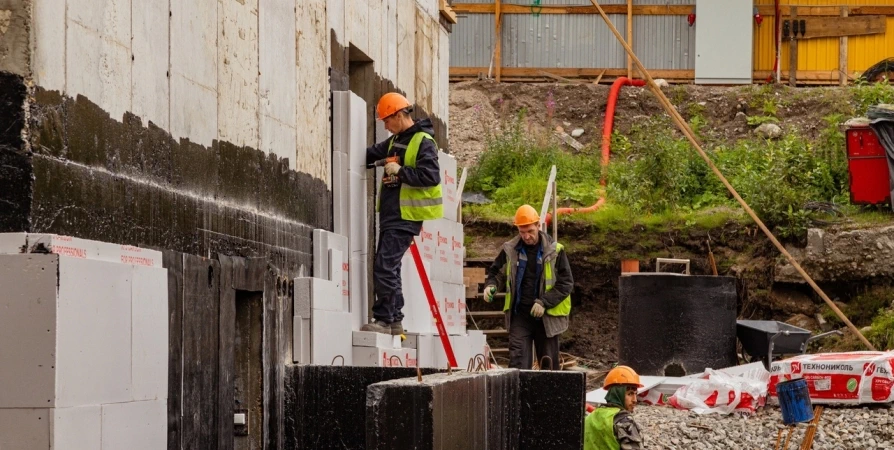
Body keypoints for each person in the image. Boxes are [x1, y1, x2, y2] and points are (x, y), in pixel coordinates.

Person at [360, 92, 442, 336]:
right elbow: (372, 153)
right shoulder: (396, 140)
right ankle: (395, 319)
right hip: (392, 215)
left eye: (386, 120)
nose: (384, 126)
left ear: (398, 115)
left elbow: (431, 176)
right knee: (390, 267)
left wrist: (401, 170)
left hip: (406, 216)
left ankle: (384, 320)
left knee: (384, 266)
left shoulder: (423, 141)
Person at [481, 204, 573, 370]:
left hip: (546, 318)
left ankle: (547, 396)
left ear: (538, 225)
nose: (526, 236)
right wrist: (491, 285)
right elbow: (497, 272)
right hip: (521, 315)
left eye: (530, 231)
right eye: (522, 232)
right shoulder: (510, 250)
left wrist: (544, 302)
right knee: (518, 363)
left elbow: (566, 283)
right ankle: (518, 395)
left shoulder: (555, 251)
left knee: (548, 366)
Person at [584, 366, 645, 450]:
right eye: (630, 394)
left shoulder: (590, 417)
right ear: (617, 393)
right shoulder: (624, 421)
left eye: (635, 394)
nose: (635, 400)